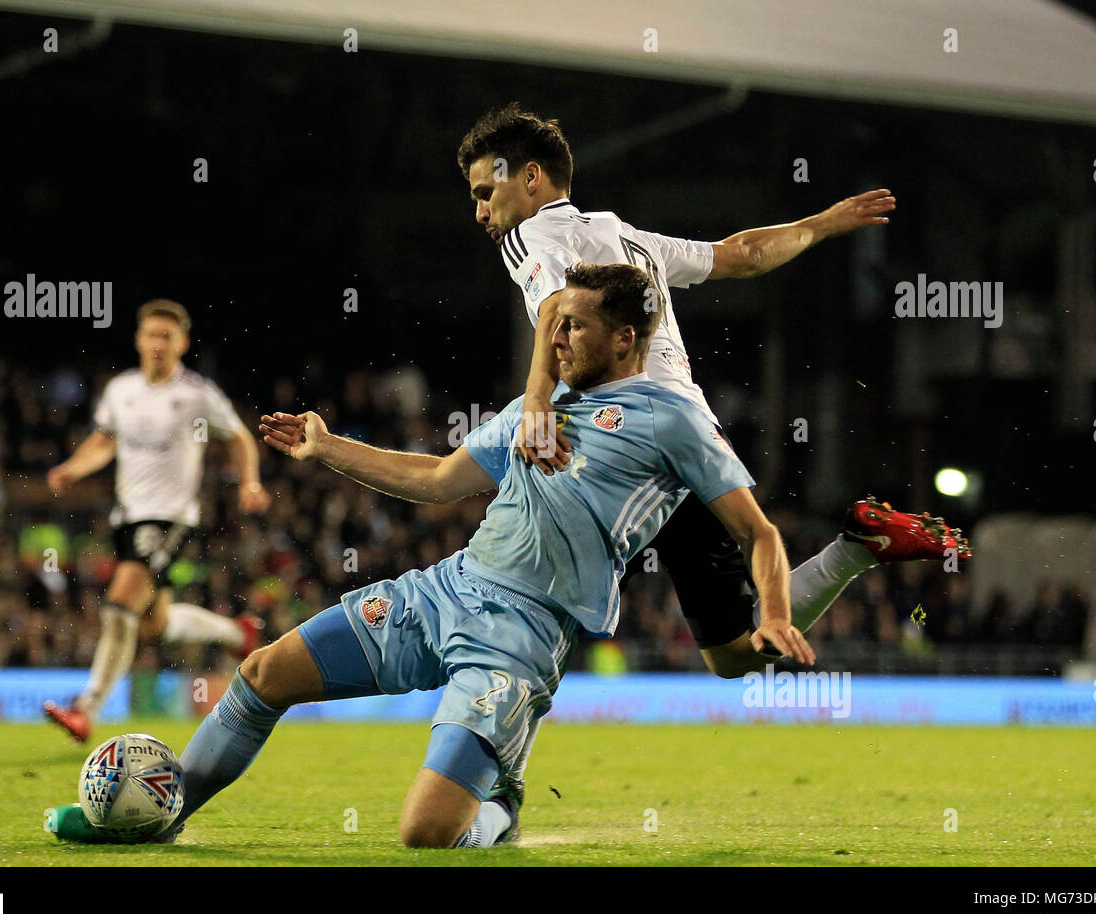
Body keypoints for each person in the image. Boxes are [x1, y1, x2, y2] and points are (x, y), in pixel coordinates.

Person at [47, 263, 821, 848]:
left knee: (426, 833)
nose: (556, 340)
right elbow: (438, 479)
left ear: (625, 339)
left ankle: (501, 808)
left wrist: (776, 614)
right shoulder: (532, 409)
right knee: (261, 674)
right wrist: (328, 447)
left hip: (522, 639)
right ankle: (161, 817)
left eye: (574, 327)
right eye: (555, 328)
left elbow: (758, 533)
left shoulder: (673, 421)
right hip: (443, 592)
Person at [456, 103, 969, 820]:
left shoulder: (530, 234)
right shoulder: (624, 236)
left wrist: (538, 397)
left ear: (531, 178)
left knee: (532, 598)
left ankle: (495, 786)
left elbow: (552, 313)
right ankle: (856, 546)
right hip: (687, 436)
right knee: (731, 655)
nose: (481, 210)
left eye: (487, 190)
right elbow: (740, 255)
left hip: (618, 434)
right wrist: (821, 225)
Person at [42, 299, 270, 743]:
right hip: (127, 518)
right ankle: (235, 631)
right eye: (152, 334)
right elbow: (104, 441)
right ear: (139, 340)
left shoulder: (196, 393)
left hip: (171, 518)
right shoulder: (120, 390)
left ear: (182, 343)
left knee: (119, 604)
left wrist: (250, 482)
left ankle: (86, 709)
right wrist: (74, 467)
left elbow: (239, 436)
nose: (158, 343)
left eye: (168, 336)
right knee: (152, 624)